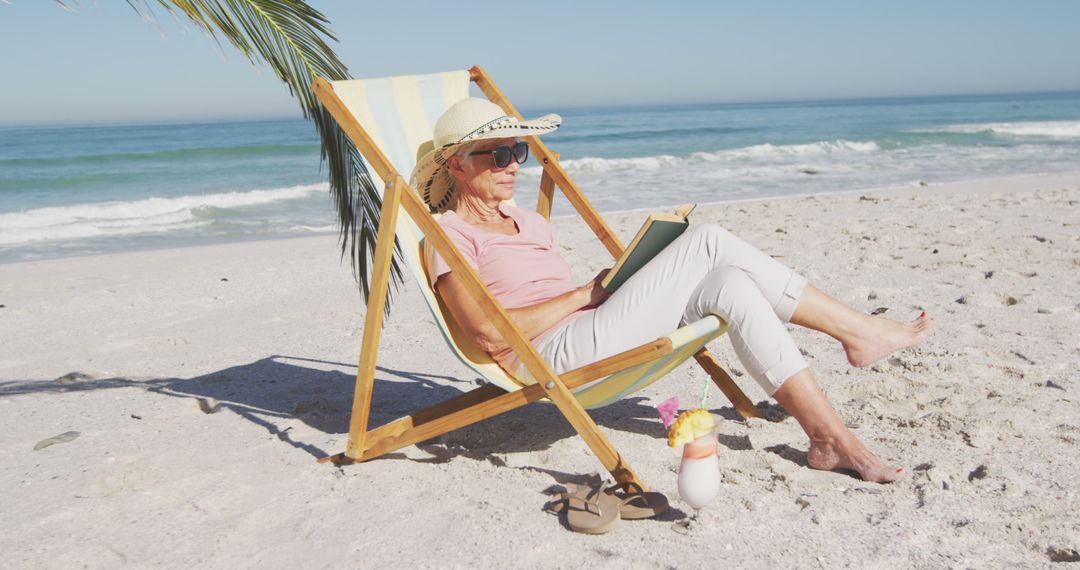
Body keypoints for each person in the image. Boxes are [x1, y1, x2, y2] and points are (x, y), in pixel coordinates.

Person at [411, 98, 934, 483]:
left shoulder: (526, 220)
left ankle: (828, 439)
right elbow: (486, 335)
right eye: (494, 155)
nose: (511, 166)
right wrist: (584, 296)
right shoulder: (448, 235)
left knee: (729, 281)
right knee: (707, 241)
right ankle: (860, 332)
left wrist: (610, 289)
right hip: (542, 356)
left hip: (588, 329)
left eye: (517, 150)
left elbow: (568, 296)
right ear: (456, 165)